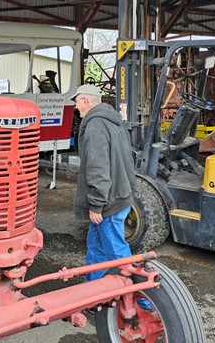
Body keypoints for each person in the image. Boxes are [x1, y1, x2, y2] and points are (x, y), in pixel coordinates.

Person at [71, 83, 136, 281]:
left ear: (85, 100)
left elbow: (98, 169)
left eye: (76, 102)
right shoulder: (114, 122)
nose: (75, 106)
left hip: (109, 202)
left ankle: (144, 298)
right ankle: (93, 290)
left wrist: (97, 205)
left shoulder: (95, 126)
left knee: (117, 254)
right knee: (96, 247)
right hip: (120, 195)